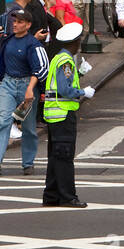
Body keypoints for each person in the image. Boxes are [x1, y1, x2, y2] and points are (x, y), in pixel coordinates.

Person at [0, 9, 48, 176]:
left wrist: (30, 89)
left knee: (29, 127)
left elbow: (40, 69)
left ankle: (28, 162)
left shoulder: (33, 44)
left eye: (19, 22)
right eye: (14, 21)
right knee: (3, 120)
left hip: (27, 85)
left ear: (28, 25)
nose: (15, 24)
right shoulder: (7, 40)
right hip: (8, 84)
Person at [41, 23, 96, 207]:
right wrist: (83, 92)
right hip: (63, 114)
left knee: (56, 157)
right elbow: (65, 90)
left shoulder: (59, 58)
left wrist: (79, 73)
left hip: (54, 114)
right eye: (79, 40)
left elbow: (61, 84)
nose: (80, 42)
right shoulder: (65, 61)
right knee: (64, 157)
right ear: (75, 42)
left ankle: (51, 195)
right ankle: (67, 196)